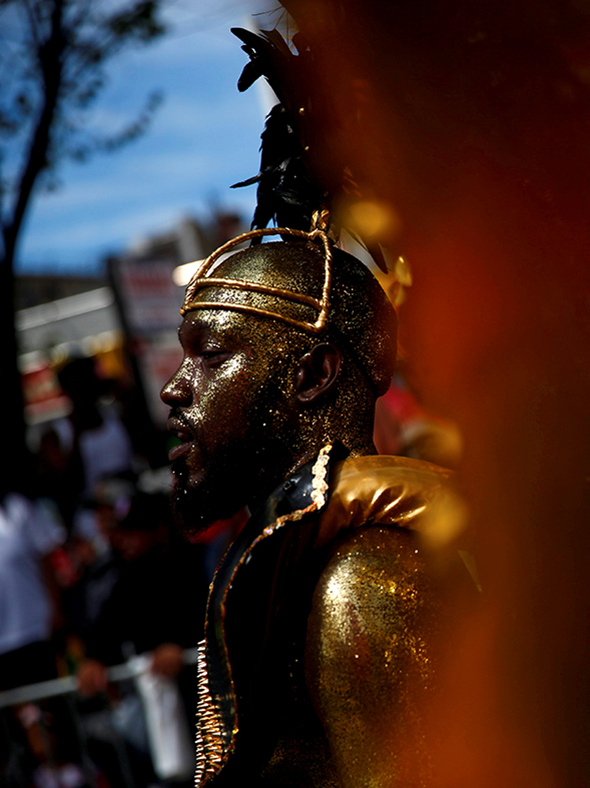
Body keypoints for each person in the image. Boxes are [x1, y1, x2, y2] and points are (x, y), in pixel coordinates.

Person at [160, 224, 471, 787]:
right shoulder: (306, 566)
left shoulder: (361, 581)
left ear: (312, 374)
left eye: (208, 354)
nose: (174, 389)